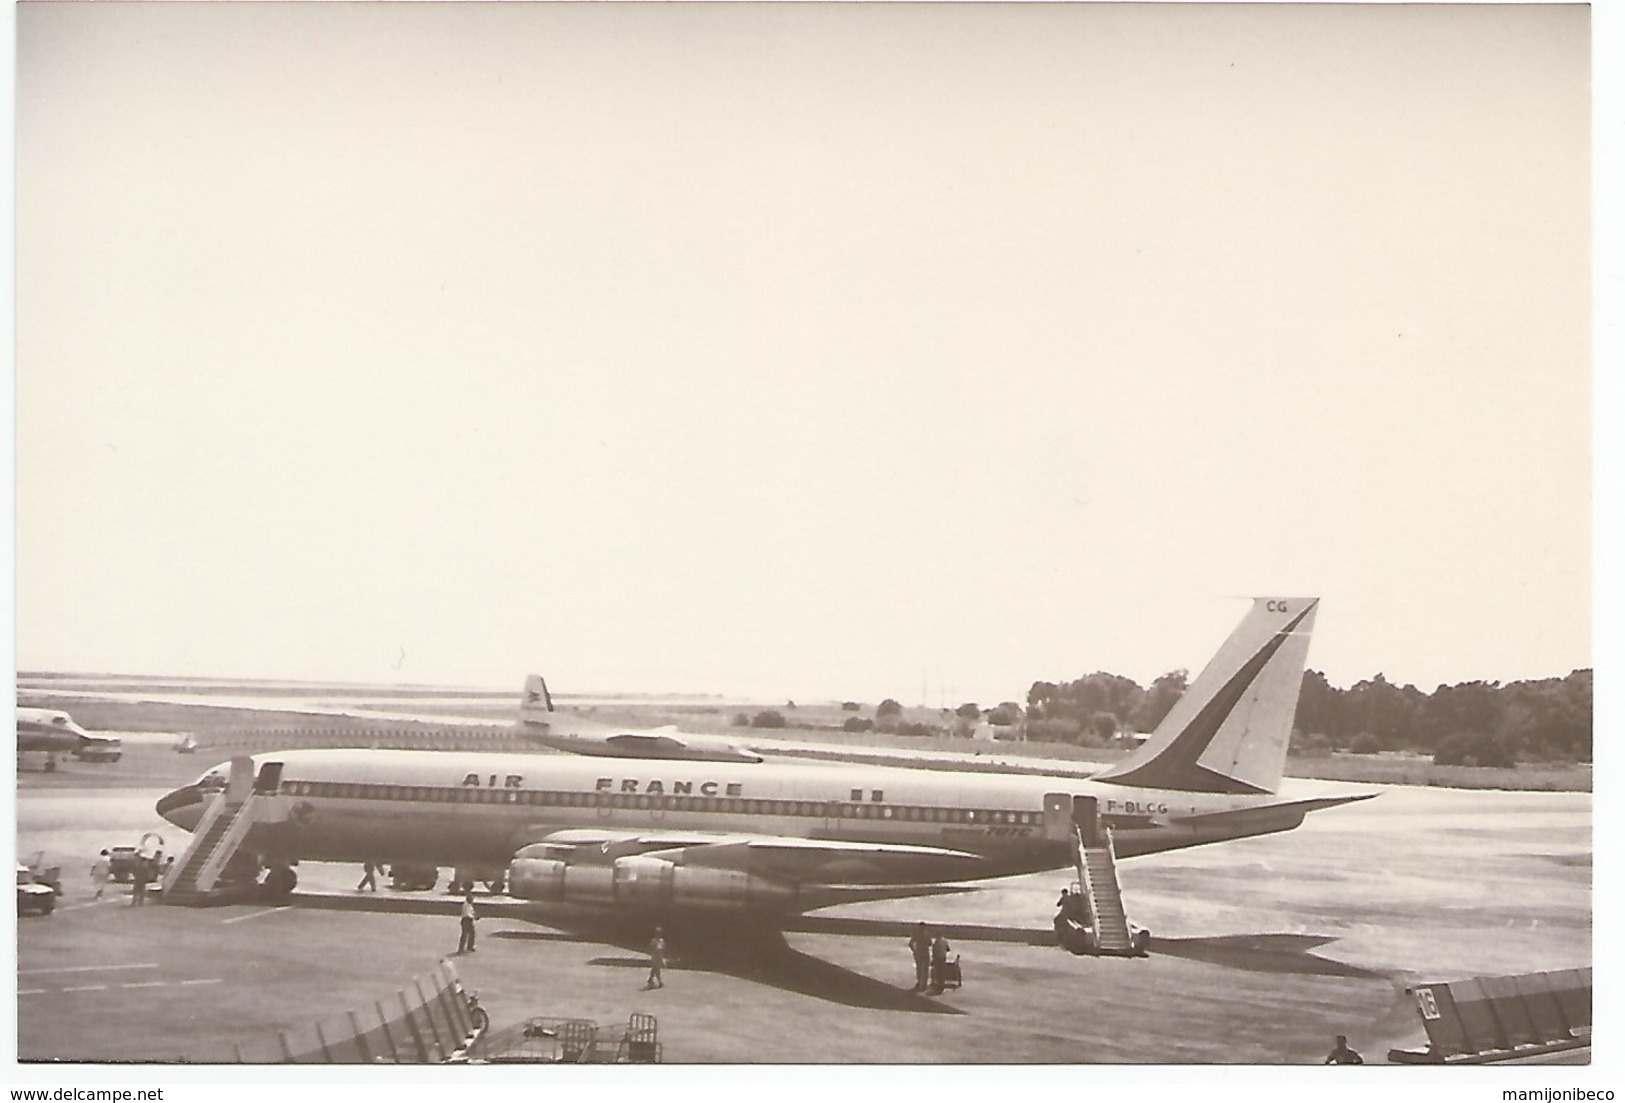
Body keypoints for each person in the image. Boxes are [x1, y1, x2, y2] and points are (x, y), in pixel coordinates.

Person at [907, 922, 932, 991]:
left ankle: (919, 981)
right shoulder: (927, 934)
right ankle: (924, 983)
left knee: (919, 968)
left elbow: (910, 944)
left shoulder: (916, 934)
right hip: (925, 952)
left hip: (919, 952)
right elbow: (930, 944)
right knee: (925, 968)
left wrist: (914, 951)